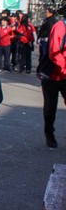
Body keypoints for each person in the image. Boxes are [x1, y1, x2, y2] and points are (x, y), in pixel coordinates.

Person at [40, 17, 66, 148]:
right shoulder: (60, 26)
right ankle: (49, 133)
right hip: (52, 75)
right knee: (50, 108)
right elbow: (54, 53)